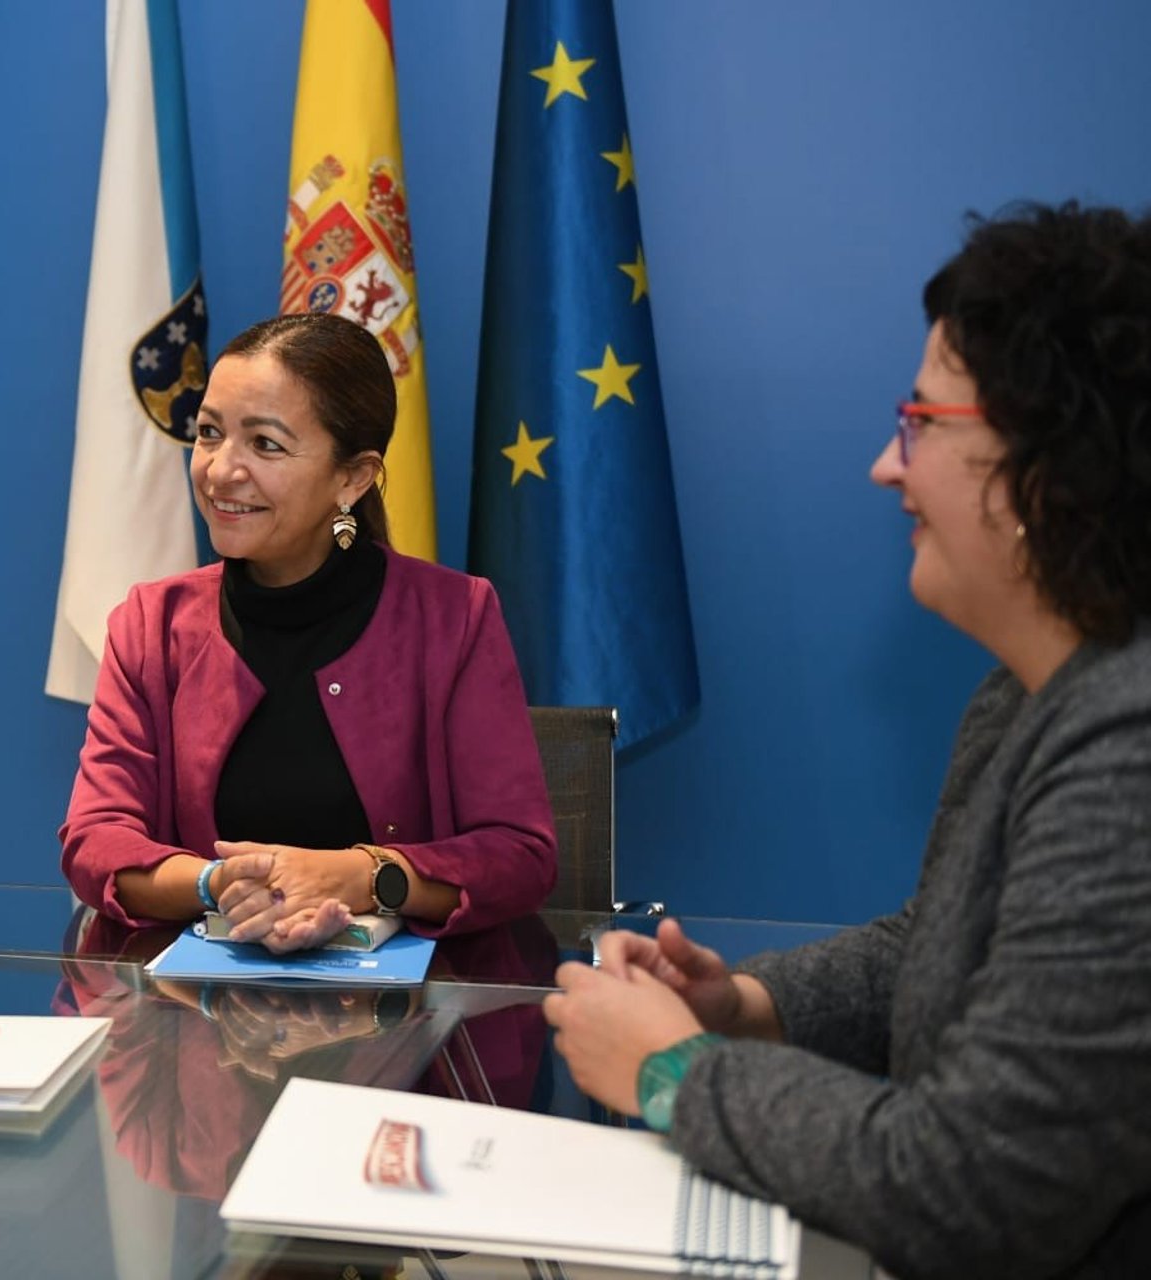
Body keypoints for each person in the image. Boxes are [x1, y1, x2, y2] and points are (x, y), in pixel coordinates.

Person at [543, 203, 1151, 1278]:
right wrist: (737, 1005)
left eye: (921, 421)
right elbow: (945, 945)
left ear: (1048, 466)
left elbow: (973, 1186)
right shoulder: (1029, 694)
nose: (886, 466)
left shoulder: (1129, 750)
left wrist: (674, 1072)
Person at [60, 313, 555, 952]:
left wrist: (360, 876)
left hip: (408, 1007)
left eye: (265, 444)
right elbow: (95, 840)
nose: (220, 470)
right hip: (198, 1003)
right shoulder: (151, 624)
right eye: (209, 433)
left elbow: (519, 856)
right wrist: (219, 883)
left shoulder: (455, 617)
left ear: (352, 477)